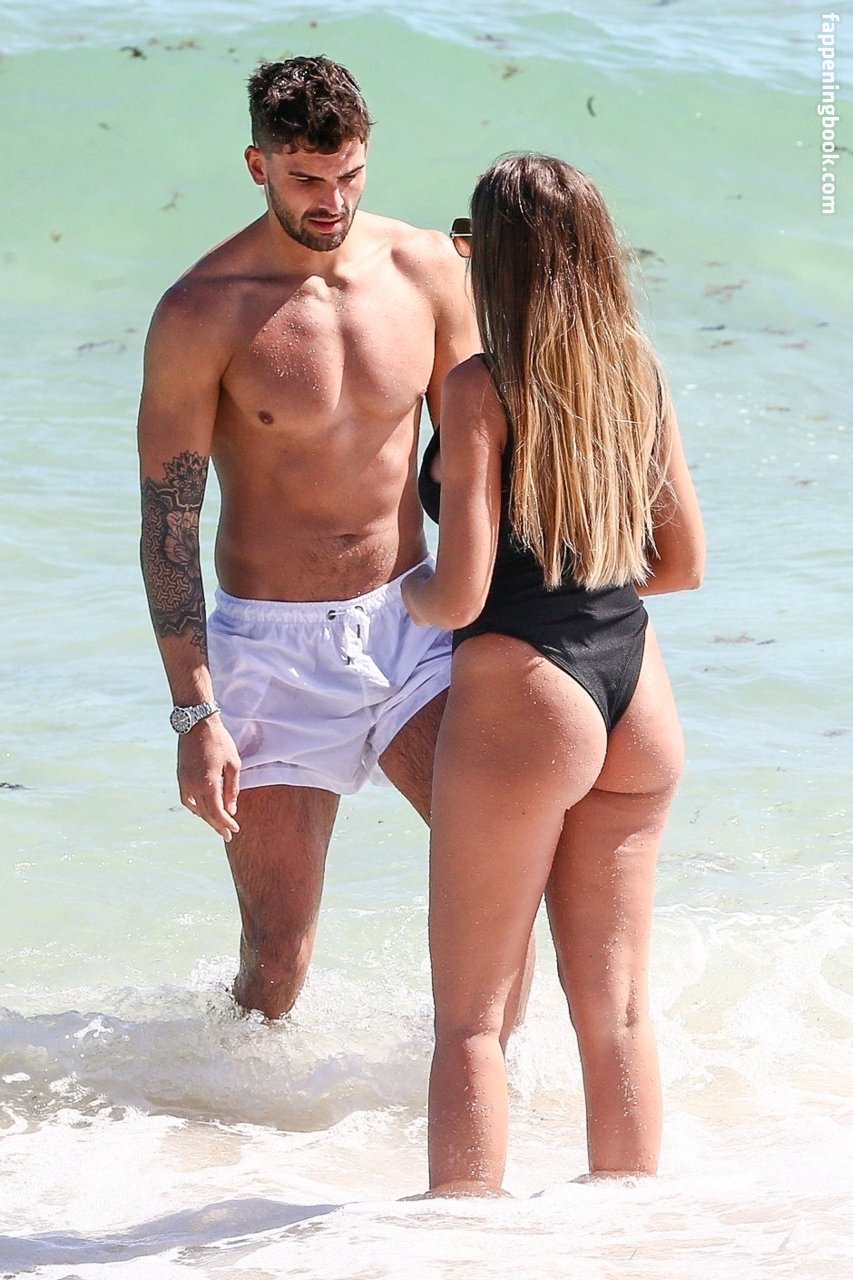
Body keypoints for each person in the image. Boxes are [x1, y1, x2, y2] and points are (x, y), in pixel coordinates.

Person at [137, 55, 505, 1022]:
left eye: (349, 174)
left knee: (506, 876)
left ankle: (486, 1086)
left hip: (416, 621)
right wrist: (193, 714)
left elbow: (477, 467)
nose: (331, 200)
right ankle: (212, 1105)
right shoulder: (201, 310)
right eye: (305, 178)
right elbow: (168, 526)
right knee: (276, 960)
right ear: (256, 165)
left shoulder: (427, 270)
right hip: (272, 649)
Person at [402, 153, 705, 1195]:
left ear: (499, 258)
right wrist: (577, 582)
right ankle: (630, 1238)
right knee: (615, 1009)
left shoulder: (481, 386)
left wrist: (394, 593)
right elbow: (681, 563)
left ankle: (460, 1244)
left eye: (470, 238)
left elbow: (457, 593)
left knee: (470, 1020)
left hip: (525, 689)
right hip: (636, 689)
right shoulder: (636, 368)